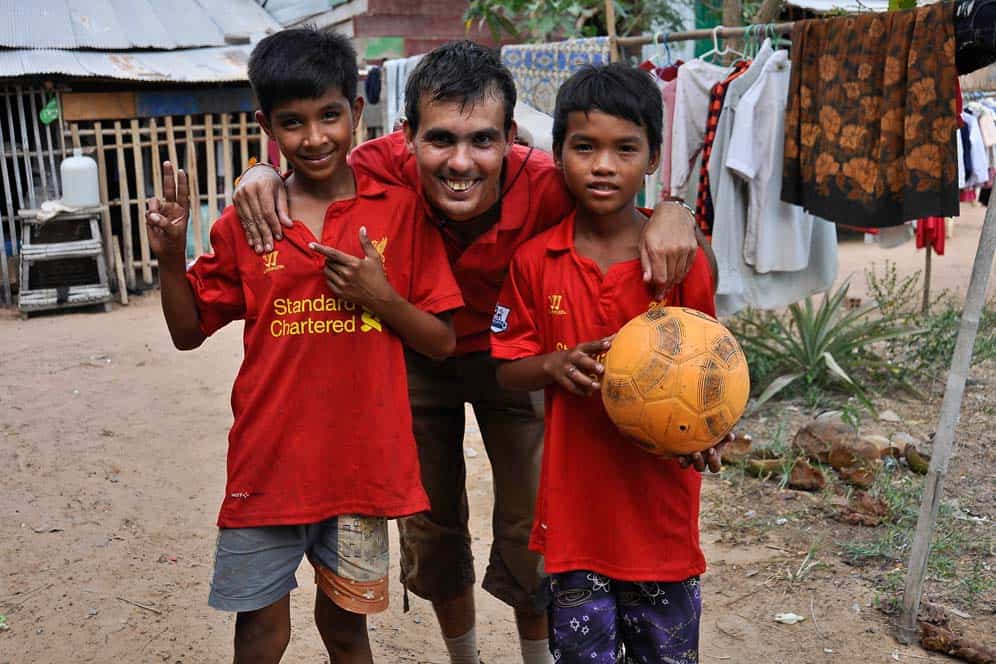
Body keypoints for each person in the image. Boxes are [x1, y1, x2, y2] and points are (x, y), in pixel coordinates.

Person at [233, 41, 724, 664]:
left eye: (483, 141)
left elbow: (631, 201)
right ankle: (464, 656)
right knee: (432, 527)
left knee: (530, 524)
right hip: (416, 353)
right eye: (440, 139)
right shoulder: (375, 168)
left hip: (520, 360)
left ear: (512, 138)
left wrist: (675, 210)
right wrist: (260, 171)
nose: (460, 162)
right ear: (406, 136)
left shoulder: (551, 183)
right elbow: (307, 160)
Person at [145, 28, 463, 664]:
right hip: (268, 468)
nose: (314, 138)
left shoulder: (400, 212)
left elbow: (443, 341)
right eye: (292, 123)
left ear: (356, 111)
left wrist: (381, 299)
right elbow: (187, 333)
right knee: (259, 634)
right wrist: (170, 257)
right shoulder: (248, 222)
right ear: (267, 125)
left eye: (329, 116)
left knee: (347, 632)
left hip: (362, 470)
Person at [491, 63, 716, 663]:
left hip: (661, 521)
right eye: (584, 147)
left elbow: (714, 373)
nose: (603, 165)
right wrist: (554, 365)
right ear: (558, 152)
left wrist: (711, 431)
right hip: (575, 526)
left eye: (625, 149)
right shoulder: (537, 260)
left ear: (651, 158)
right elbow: (506, 368)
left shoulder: (680, 262)